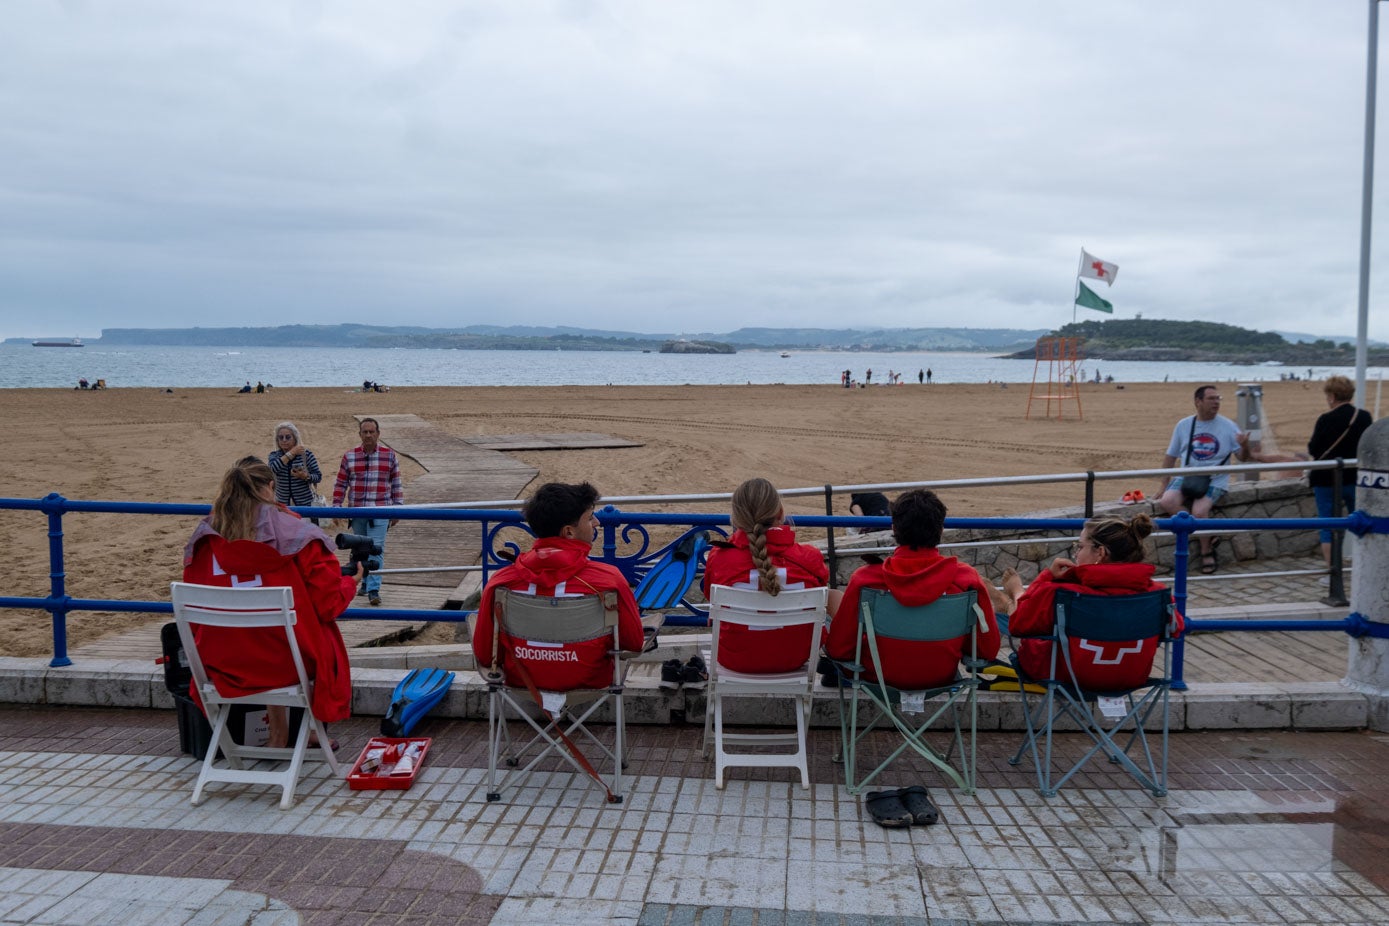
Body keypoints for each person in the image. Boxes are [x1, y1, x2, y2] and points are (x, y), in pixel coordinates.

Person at [182, 456, 358, 748]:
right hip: (285, 664)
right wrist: (351, 582)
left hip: (222, 665)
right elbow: (329, 605)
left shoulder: (203, 543)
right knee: (300, 634)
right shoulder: (300, 537)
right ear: (271, 487)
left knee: (262, 633)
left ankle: (281, 734)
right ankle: (297, 729)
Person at [471, 482, 644, 689]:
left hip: (522, 684)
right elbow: (633, 644)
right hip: (590, 683)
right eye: (590, 518)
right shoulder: (608, 580)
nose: (597, 522)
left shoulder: (502, 582)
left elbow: (484, 653)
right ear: (569, 532)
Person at [825, 489, 1000, 690]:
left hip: (877, 677)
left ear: (893, 528)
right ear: (941, 530)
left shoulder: (866, 580)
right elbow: (988, 650)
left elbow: (839, 649)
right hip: (941, 677)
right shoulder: (966, 580)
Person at [1001, 513, 1182, 690]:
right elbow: (1175, 629)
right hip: (1131, 678)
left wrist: (1047, 579)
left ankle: (1016, 595)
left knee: (1029, 636)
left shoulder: (1060, 592)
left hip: (1066, 677)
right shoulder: (1158, 595)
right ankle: (1014, 597)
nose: (1076, 554)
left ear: (1100, 552)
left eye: (1079, 547)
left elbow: (1017, 625)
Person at [702, 478, 830, 674]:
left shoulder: (720, 558)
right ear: (780, 513)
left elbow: (711, 598)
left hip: (734, 660)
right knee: (833, 596)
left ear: (735, 519)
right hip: (794, 658)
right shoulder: (809, 558)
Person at [1156, 385, 1249, 574]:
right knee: (1167, 501)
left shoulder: (1228, 426)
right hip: (1187, 475)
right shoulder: (1184, 425)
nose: (1216, 402)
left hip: (1215, 479)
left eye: (1218, 399)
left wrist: (1245, 446)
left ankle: (1206, 550)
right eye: (1211, 399)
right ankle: (1208, 533)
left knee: (1199, 512)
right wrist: (1163, 485)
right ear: (1198, 402)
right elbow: (1170, 456)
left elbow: (1243, 458)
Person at [332, 417, 402, 606]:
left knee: (376, 548)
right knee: (359, 549)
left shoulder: (389, 456)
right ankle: (363, 581)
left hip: (380, 510)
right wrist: (336, 506)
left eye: (372, 432)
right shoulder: (350, 456)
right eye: (365, 432)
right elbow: (341, 482)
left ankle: (373, 589)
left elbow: (396, 482)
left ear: (378, 434)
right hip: (357, 511)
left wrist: (398, 508)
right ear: (360, 434)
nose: (369, 435)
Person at [1306, 375, 1373, 571]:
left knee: (1327, 524)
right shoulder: (1364, 416)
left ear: (1332, 396)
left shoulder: (1326, 419)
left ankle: (1332, 571)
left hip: (1325, 479)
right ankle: (1365, 565)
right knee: (1362, 522)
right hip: (1354, 477)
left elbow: (1314, 448)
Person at [268, 422, 324, 518]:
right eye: (280, 437)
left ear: (295, 438)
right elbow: (272, 469)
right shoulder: (274, 456)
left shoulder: (306, 455)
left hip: (305, 505)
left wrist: (306, 476)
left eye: (288, 437)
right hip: (282, 506)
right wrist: (291, 453)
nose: (284, 440)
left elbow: (318, 477)